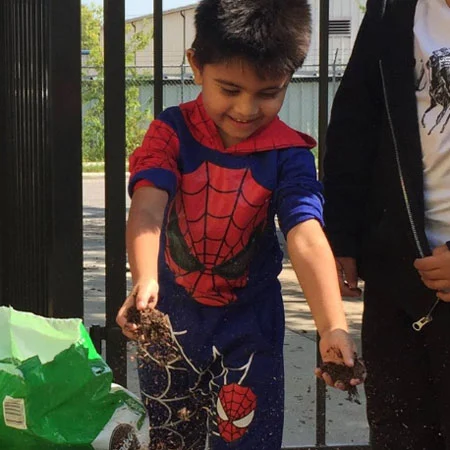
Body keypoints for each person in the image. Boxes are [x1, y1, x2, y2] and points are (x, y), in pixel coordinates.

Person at [116, 0, 362, 448]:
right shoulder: (169, 133)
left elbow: (305, 235)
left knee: (248, 439)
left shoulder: (289, 153)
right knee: (170, 439)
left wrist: (332, 327)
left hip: (252, 327)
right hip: (168, 320)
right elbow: (148, 206)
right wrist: (144, 279)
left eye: (268, 93)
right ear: (195, 64)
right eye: (229, 88)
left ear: (289, 77)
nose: (246, 109)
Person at [322, 0, 450, 448]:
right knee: (400, 432)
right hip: (399, 278)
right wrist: (343, 238)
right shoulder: (391, 11)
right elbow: (353, 125)